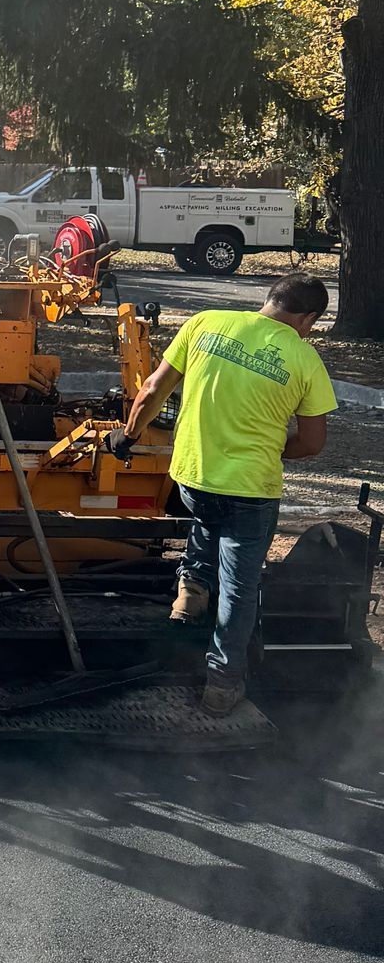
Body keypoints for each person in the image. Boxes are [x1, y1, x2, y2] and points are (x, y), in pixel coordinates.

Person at [119, 272, 336, 712]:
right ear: (308, 318)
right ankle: (222, 683)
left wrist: (127, 436)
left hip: (192, 476)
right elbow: (312, 443)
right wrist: (273, 452)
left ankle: (189, 598)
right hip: (251, 489)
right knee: (239, 585)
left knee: (205, 518)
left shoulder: (204, 322)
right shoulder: (303, 358)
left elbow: (151, 389)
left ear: (271, 299)